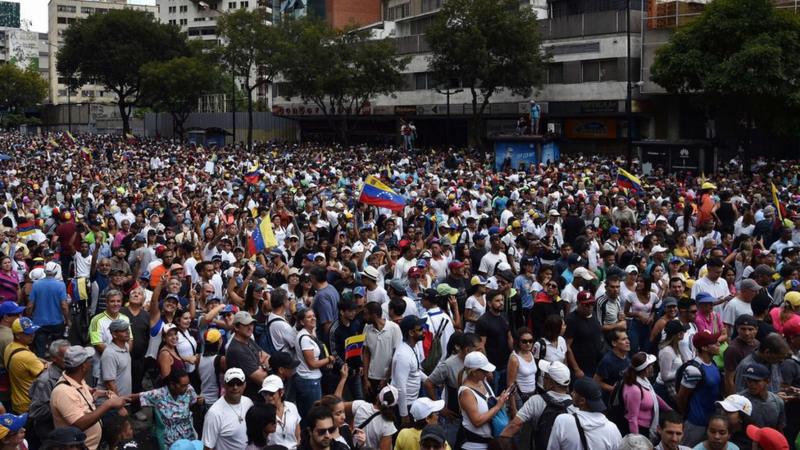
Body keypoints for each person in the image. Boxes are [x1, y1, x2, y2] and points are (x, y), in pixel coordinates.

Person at [50, 346, 128, 450]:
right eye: (89, 360)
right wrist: (109, 404)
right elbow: (80, 424)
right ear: (83, 366)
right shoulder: (63, 392)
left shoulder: (77, 380)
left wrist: (104, 393)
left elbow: (87, 392)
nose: (91, 363)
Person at [499, 359, 572, 449]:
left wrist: (499, 441)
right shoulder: (575, 407)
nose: (543, 378)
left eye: (545, 376)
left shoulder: (536, 401)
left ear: (551, 382)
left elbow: (514, 425)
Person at [546, 377, 622, 450]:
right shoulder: (613, 429)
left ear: (582, 401)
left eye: (574, 393)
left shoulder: (563, 421)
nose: (571, 394)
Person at [677, 331, 723, 447]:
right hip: (696, 423)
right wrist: (688, 415)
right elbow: (681, 398)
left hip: (710, 421)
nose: (719, 344)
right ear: (704, 347)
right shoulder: (694, 370)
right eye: (714, 342)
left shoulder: (712, 363)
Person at [137, 368, 202, 449]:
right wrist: (119, 401)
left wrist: (199, 402)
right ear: (172, 384)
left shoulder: (189, 390)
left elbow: (193, 403)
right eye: (182, 386)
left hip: (188, 437)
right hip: (170, 441)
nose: (185, 388)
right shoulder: (159, 394)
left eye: (187, 384)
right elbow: (137, 397)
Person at [457, 352, 511, 450]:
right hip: (475, 446)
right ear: (474, 372)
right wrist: (498, 406)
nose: (488, 373)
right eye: (484, 371)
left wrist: (501, 398)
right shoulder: (466, 392)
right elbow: (477, 421)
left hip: (491, 443)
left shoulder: (483, 381)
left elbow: (487, 404)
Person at [622, 352, 673, 439]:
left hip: (649, 426)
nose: (653, 368)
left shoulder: (644, 380)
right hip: (640, 430)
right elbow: (632, 418)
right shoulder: (635, 390)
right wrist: (637, 441)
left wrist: (670, 410)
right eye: (651, 366)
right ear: (645, 369)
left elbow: (654, 397)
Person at [295, 308, 335, 419]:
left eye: (313, 315)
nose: (313, 318)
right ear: (302, 322)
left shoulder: (311, 333)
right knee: (313, 412)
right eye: (309, 317)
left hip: (312, 379)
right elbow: (312, 364)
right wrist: (329, 359)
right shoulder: (305, 339)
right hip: (309, 380)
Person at [202, 368, 254, 450]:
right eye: (231, 384)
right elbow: (208, 447)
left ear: (245, 385)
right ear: (224, 385)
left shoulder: (248, 402)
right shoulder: (214, 413)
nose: (235, 387)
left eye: (239, 383)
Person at [28, 339, 70, 439]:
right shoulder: (46, 380)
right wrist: (63, 406)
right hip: (50, 431)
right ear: (54, 358)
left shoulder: (67, 371)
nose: (71, 359)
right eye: (65, 357)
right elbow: (36, 411)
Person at [227, 311, 271, 403]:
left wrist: (262, 365)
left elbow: (267, 357)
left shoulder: (248, 339)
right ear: (236, 327)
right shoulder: (236, 350)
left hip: (257, 396)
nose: (250, 327)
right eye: (246, 324)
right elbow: (261, 379)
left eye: (252, 324)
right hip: (249, 400)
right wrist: (264, 365)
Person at [475, 290, 513, 393]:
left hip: (506, 363)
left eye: (502, 300)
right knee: (493, 394)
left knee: (505, 392)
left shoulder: (504, 316)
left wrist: (514, 355)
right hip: (492, 366)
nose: (501, 303)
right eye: (497, 300)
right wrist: (486, 367)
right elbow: (480, 346)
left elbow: (509, 337)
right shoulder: (483, 321)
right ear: (489, 303)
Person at [362, 302, 401, 402]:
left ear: (374, 315)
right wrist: (366, 379)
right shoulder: (367, 328)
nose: (364, 317)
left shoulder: (394, 328)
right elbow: (366, 353)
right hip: (372, 377)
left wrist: (386, 378)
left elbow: (396, 355)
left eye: (366, 314)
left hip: (389, 378)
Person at [4, 317, 43, 415]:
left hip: (17, 402)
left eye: (33, 332)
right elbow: (45, 375)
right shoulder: (26, 356)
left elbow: (34, 360)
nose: (32, 335)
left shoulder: (10, 347)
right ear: (17, 335)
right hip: (29, 404)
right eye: (28, 334)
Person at [392, 315, 426, 424]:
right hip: (405, 405)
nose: (423, 330)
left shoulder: (413, 346)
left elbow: (415, 370)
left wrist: (429, 380)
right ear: (411, 333)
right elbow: (400, 387)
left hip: (413, 401)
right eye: (420, 329)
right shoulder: (403, 355)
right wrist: (404, 414)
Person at [565, 291, 604, 378]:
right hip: (581, 367)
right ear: (578, 303)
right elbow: (567, 346)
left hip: (595, 364)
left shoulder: (593, 315)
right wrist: (576, 369)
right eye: (586, 305)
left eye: (591, 304)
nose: (589, 307)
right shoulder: (572, 320)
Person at [738, 363, 785, 432]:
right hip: (745, 441)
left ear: (767, 381)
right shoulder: (739, 401)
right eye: (749, 380)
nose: (751, 384)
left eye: (756, 381)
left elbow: (780, 429)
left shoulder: (777, 402)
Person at [259, 375, 301, 450]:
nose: (268, 397)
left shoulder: (292, 407)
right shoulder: (262, 413)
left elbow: (298, 434)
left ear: (281, 392)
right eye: (265, 393)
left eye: (271, 393)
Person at [350, 385, 398, 450]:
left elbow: (339, 406)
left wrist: (349, 425)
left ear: (378, 396)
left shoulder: (360, 405)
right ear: (392, 405)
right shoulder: (388, 424)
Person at [723, 315, 759, 396]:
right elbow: (729, 379)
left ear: (756, 329)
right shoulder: (733, 349)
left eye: (750, 329)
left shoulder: (757, 344)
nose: (747, 333)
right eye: (743, 329)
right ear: (737, 329)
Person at [506, 327, 537, 416]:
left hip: (533, 394)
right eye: (524, 341)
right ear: (518, 342)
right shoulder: (514, 359)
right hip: (520, 396)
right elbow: (510, 385)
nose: (528, 344)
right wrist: (513, 408)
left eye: (530, 341)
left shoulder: (530, 353)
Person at [595, 329, 631, 401]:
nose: (628, 342)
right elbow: (596, 381)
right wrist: (615, 390)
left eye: (627, 338)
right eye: (623, 339)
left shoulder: (626, 355)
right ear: (614, 343)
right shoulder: (607, 361)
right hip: (611, 400)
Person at [100, 319, 132, 397]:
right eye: (123, 330)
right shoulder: (110, 354)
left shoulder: (126, 347)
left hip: (124, 400)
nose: (127, 332)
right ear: (114, 334)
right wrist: (119, 404)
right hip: (114, 402)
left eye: (127, 329)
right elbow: (110, 383)